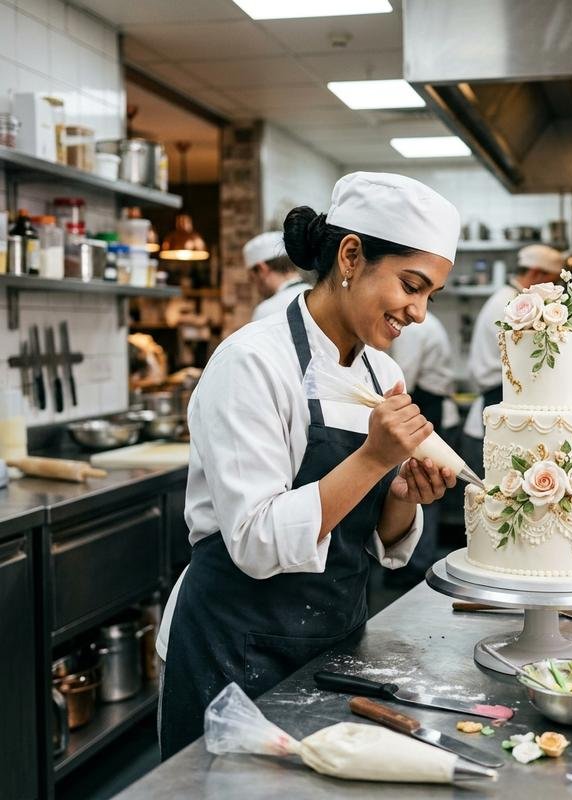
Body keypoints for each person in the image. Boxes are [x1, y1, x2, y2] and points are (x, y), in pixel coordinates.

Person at [157, 172, 461, 759]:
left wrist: (401, 493)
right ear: (351, 255)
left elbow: (376, 540)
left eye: (430, 295)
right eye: (411, 285)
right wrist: (374, 457)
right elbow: (255, 540)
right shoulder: (252, 361)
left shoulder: (380, 374)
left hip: (335, 641)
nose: (419, 312)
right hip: (230, 645)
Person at [462, 243, 564, 475]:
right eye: (553, 281)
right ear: (536, 273)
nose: (555, 289)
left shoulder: (510, 298)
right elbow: (529, 366)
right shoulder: (511, 306)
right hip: (495, 414)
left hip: (498, 409)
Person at [388, 310, 459, 585]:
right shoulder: (426, 323)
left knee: (422, 486)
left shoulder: (415, 329)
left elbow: (401, 380)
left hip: (432, 417)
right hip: (433, 413)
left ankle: (415, 569)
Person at [244, 231, 311, 321]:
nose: (255, 286)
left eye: (252, 278)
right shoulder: (317, 295)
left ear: (262, 269)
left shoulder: (267, 311)